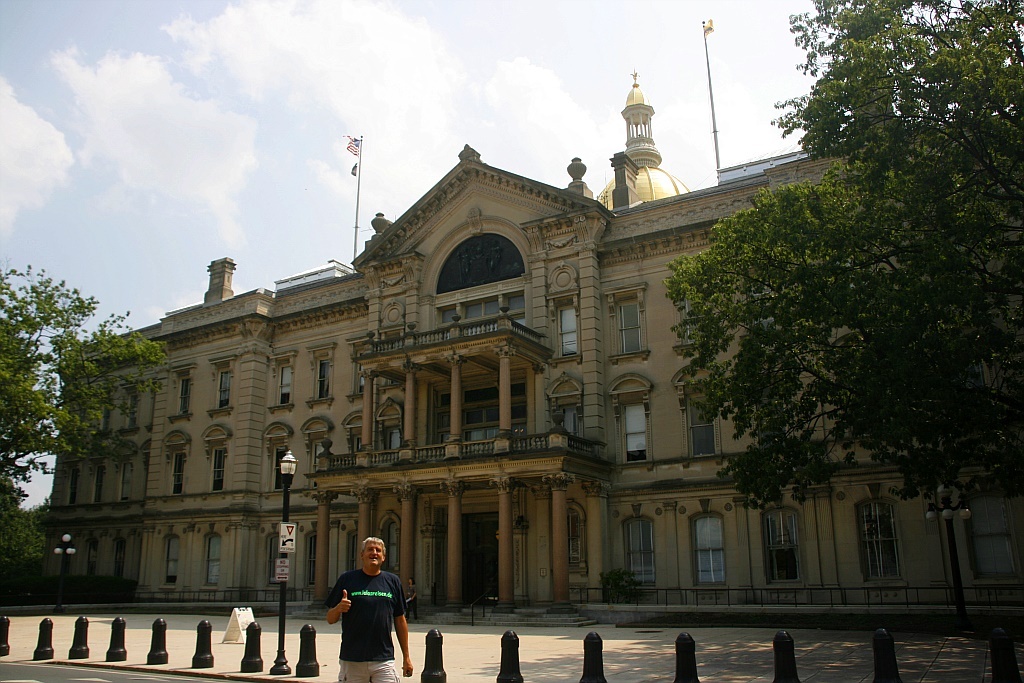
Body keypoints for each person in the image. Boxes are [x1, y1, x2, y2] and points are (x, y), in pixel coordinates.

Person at [326, 537, 413, 683]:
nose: (374, 553)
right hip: (353, 659)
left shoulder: (392, 581)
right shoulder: (347, 579)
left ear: (384, 557)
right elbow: (330, 618)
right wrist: (338, 609)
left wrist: (406, 657)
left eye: (378, 550)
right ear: (362, 555)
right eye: (370, 549)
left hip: (383, 659)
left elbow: (400, 619)